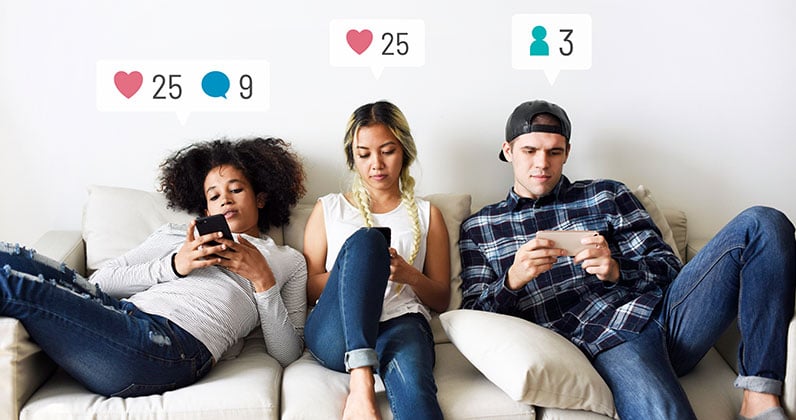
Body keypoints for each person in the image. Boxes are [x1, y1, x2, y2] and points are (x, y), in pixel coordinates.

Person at [459, 99, 796, 420]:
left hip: (671, 315)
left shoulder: (606, 194)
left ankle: (759, 397)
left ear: (567, 154)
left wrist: (616, 269)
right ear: (508, 151)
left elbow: (668, 267)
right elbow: (474, 318)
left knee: (762, 222)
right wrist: (514, 279)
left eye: (554, 152)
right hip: (604, 339)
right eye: (529, 151)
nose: (542, 164)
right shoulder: (480, 227)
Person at [0, 137, 308, 397]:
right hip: (118, 316)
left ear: (261, 198)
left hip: (169, 349)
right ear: (206, 209)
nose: (225, 200)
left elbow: (288, 354)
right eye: (215, 196)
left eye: (236, 189)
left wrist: (262, 280)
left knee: (18, 287)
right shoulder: (175, 236)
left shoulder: (287, 261)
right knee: (16, 257)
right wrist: (175, 265)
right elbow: (101, 282)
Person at [303, 100, 450, 420]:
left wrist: (409, 275)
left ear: (405, 152)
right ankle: (361, 380)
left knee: (415, 387)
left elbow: (442, 298)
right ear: (352, 158)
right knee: (368, 241)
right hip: (337, 330)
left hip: (402, 321)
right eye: (364, 154)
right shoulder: (328, 209)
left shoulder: (428, 215)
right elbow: (311, 290)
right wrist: (360, 269)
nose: (376, 164)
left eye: (388, 150)